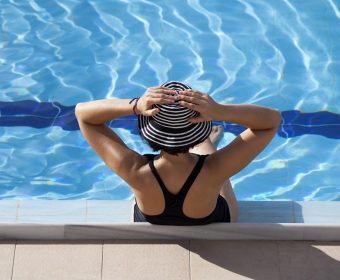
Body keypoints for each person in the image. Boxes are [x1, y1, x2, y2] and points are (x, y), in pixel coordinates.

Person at [75, 81, 281, 225]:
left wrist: (137, 105)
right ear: (200, 129)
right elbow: (271, 121)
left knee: (140, 189)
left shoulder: (133, 169)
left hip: (150, 217)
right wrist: (220, 111)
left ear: (149, 131)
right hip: (210, 216)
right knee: (218, 172)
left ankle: (198, 144)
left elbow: (83, 113)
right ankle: (207, 143)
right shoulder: (214, 168)